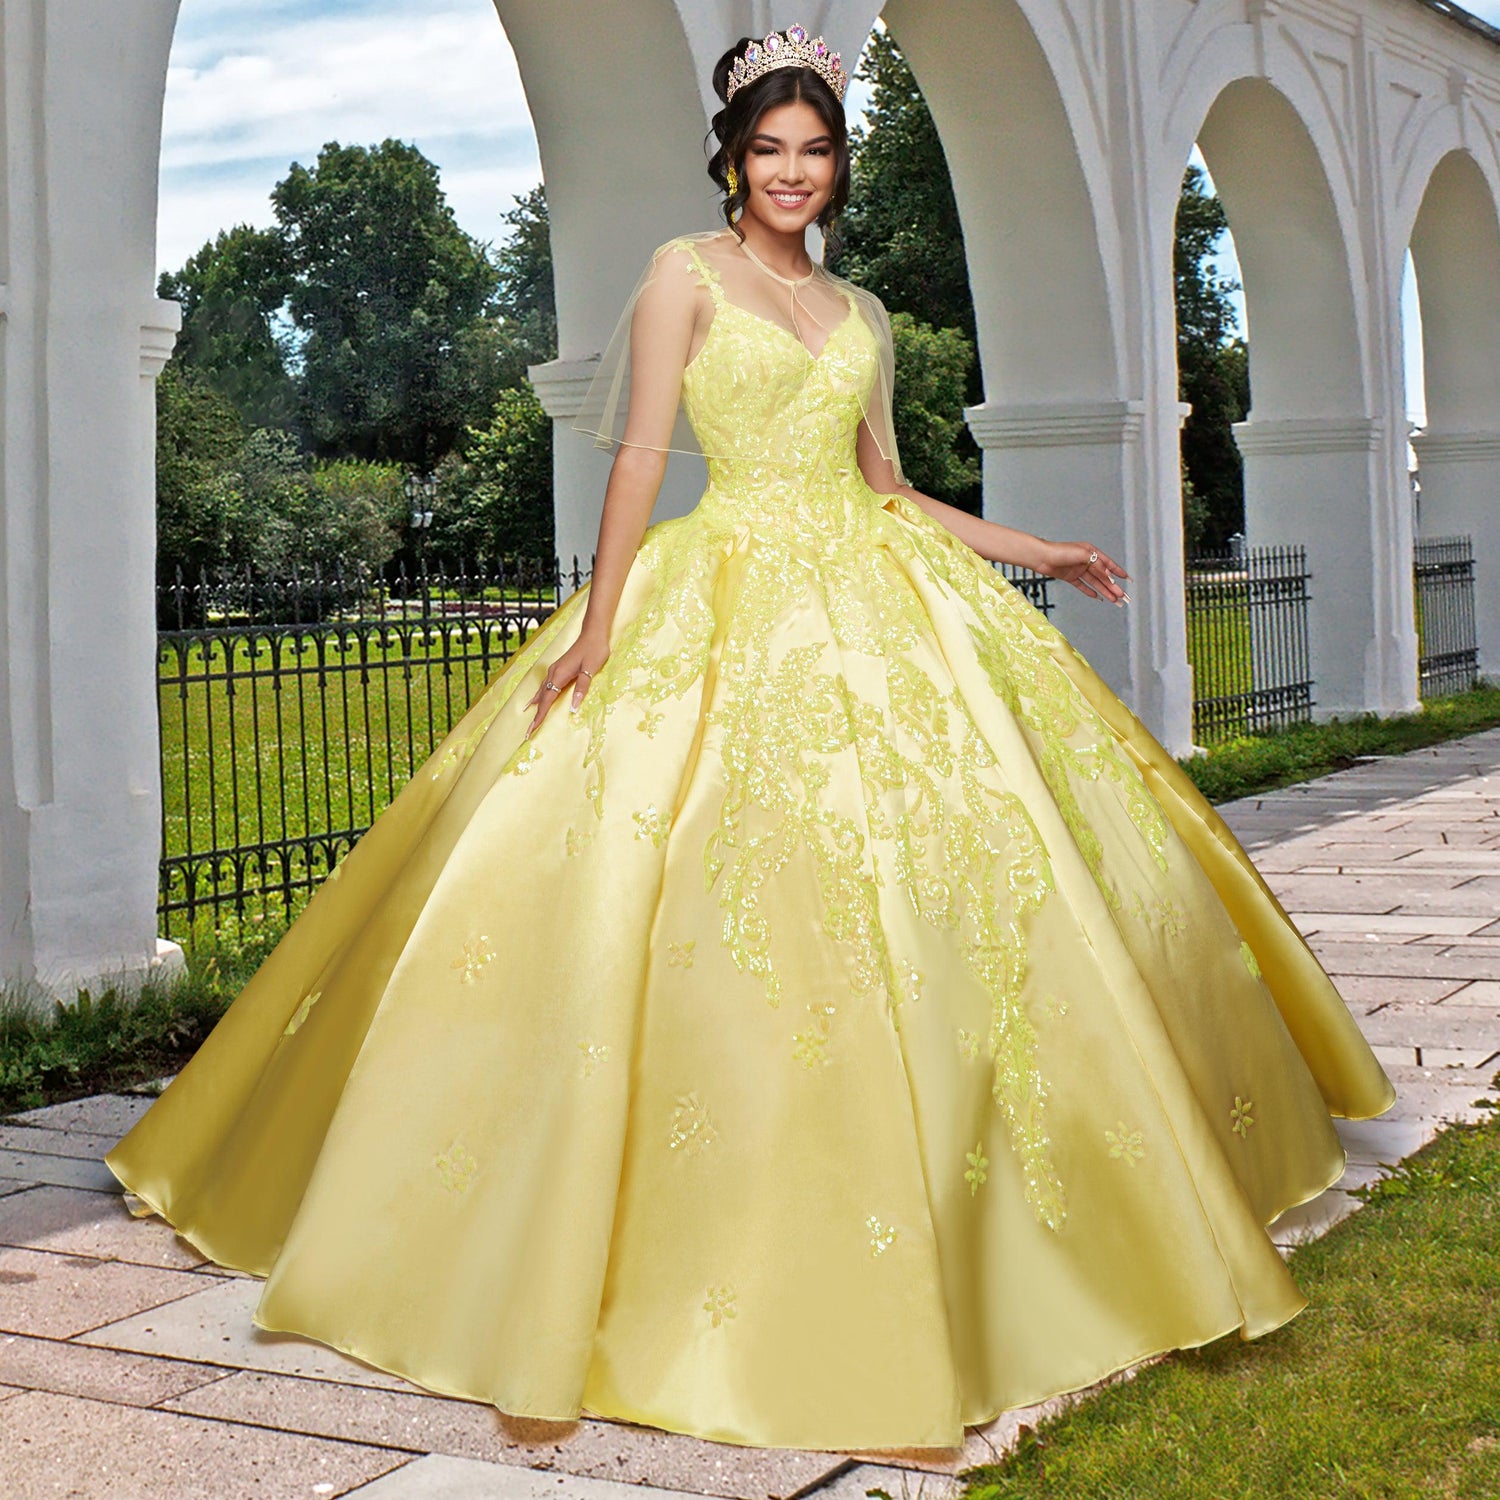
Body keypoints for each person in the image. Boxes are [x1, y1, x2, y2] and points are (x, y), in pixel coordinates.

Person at [106, 25, 1396, 1455]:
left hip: (881, 597)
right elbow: (644, 456)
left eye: (817, 148)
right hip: (719, 591)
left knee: (968, 889)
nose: (795, 171)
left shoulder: (860, 313)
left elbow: (892, 490)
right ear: (734, 157)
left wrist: (1038, 545)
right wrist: (600, 624)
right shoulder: (681, 276)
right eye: (771, 147)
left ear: (836, 162)